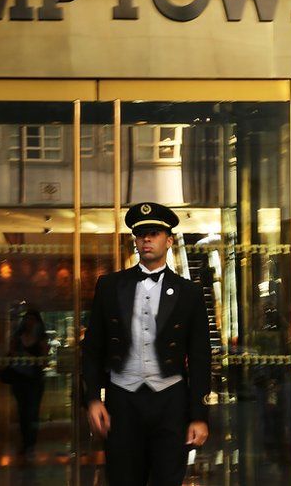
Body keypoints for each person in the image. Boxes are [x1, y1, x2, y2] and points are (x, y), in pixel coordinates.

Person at [82, 202, 212, 485]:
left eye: (154, 233)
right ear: (136, 241)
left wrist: (199, 416)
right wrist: (93, 398)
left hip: (170, 402)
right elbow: (92, 349)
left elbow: (200, 357)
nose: (147, 240)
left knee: (168, 479)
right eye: (141, 235)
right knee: (123, 479)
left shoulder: (189, 292)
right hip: (122, 400)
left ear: (169, 240)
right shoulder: (109, 286)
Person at [8, 308, 49, 461]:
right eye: (27, 319)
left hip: (35, 380)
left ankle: (30, 444)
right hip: (19, 378)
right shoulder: (18, 337)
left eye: (33, 319)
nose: (29, 322)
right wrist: (19, 356)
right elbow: (10, 355)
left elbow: (44, 361)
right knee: (22, 412)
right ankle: (25, 443)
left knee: (32, 412)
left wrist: (30, 357)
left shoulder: (41, 339)